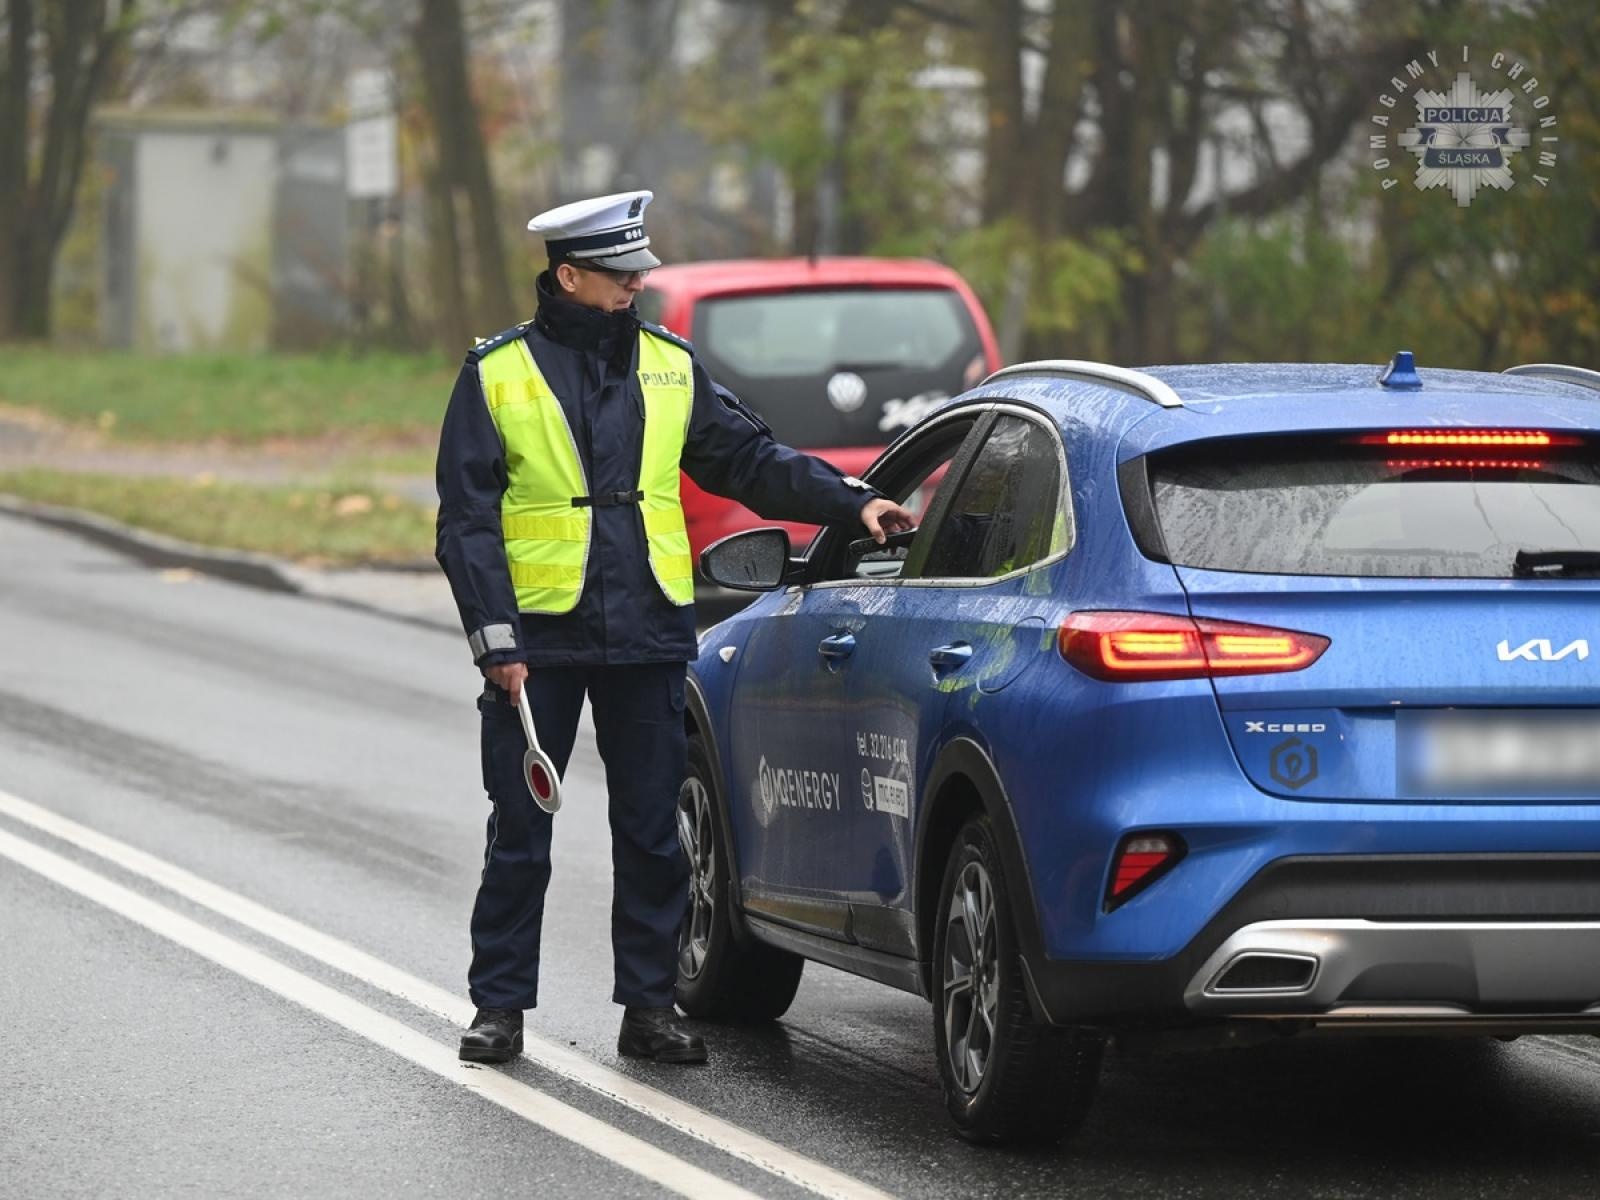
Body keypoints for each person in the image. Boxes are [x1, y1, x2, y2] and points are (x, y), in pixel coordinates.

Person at [435, 189, 914, 1066]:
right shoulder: (497, 373)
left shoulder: (668, 365)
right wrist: (494, 640)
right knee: (521, 830)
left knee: (655, 833)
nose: (635, 290)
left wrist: (853, 504)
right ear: (569, 275)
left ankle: (649, 1009)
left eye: (639, 275)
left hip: (649, 631)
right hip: (539, 642)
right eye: (619, 277)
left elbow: (749, 463)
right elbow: (465, 520)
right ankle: (500, 1008)